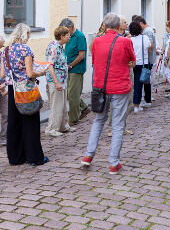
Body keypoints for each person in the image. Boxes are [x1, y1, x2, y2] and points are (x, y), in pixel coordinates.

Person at [81, 13, 135, 174]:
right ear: (119, 27)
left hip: (101, 87)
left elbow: (96, 61)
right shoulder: (125, 41)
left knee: (98, 120)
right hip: (120, 86)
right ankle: (113, 162)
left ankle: (88, 156)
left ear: (104, 26)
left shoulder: (96, 41)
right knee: (118, 124)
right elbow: (132, 60)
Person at [3, 23, 50, 166]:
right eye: (29, 34)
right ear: (25, 34)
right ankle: (34, 157)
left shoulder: (5, 50)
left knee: (14, 123)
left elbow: (2, 73)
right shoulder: (25, 49)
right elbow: (30, 73)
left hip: (12, 89)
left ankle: (16, 157)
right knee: (30, 123)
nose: (29, 37)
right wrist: (42, 72)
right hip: (26, 90)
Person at [44, 26, 73, 137]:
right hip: (56, 81)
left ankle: (63, 126)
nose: (69, 37)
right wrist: (56, 82)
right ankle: (51, 128)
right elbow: (50, 66)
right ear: (62, 36)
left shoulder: (60, 47)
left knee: (63, 105)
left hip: (62, 80)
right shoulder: (53, 48)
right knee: (56, 105)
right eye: (67, 35)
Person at [60, 18, 89, 125]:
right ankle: (84, 107)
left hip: (76, 69)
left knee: (72, 94)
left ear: (70, 27)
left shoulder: (79, 36)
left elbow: (81, 55)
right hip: (68, 68)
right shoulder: (70, 37)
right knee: (69, 93)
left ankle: (73, 119)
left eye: (65, 30)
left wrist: (71, 65)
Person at [129, 21, 152, 113]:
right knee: (142, 84)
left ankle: (136, 103)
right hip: (143, 63)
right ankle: (137, 105)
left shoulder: (130, 39)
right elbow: (149, 47)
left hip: (133, 63)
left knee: (135, 84)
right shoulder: (145, 38)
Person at [135, 16, 156, 108]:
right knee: (145, 79)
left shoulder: (147, 31)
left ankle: (147, 100)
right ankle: (147, 99)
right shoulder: (148, 30)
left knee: (146, 79)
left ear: (140, 24)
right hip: (147, 59)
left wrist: (144, 53)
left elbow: (150, 46)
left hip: (148, 59)